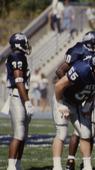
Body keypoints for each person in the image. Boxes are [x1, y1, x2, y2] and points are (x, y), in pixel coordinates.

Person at [55, 31, 95, 170]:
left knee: (88, 131)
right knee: (63, 131)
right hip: (74, 91)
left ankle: (86, 164)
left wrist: (87, 96)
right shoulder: (78, 51)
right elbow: (60, 72)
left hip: (91, 93)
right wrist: (75, 85)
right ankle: (67, 161)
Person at [5, 33, 34, 170]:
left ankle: (18, 165)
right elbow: (18, 80)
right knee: (19, 134)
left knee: (23, 135)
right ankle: (11, 166)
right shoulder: (16, 56)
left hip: (21, 96)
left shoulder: (20, 56)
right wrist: (27, 101)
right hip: (18, 97)